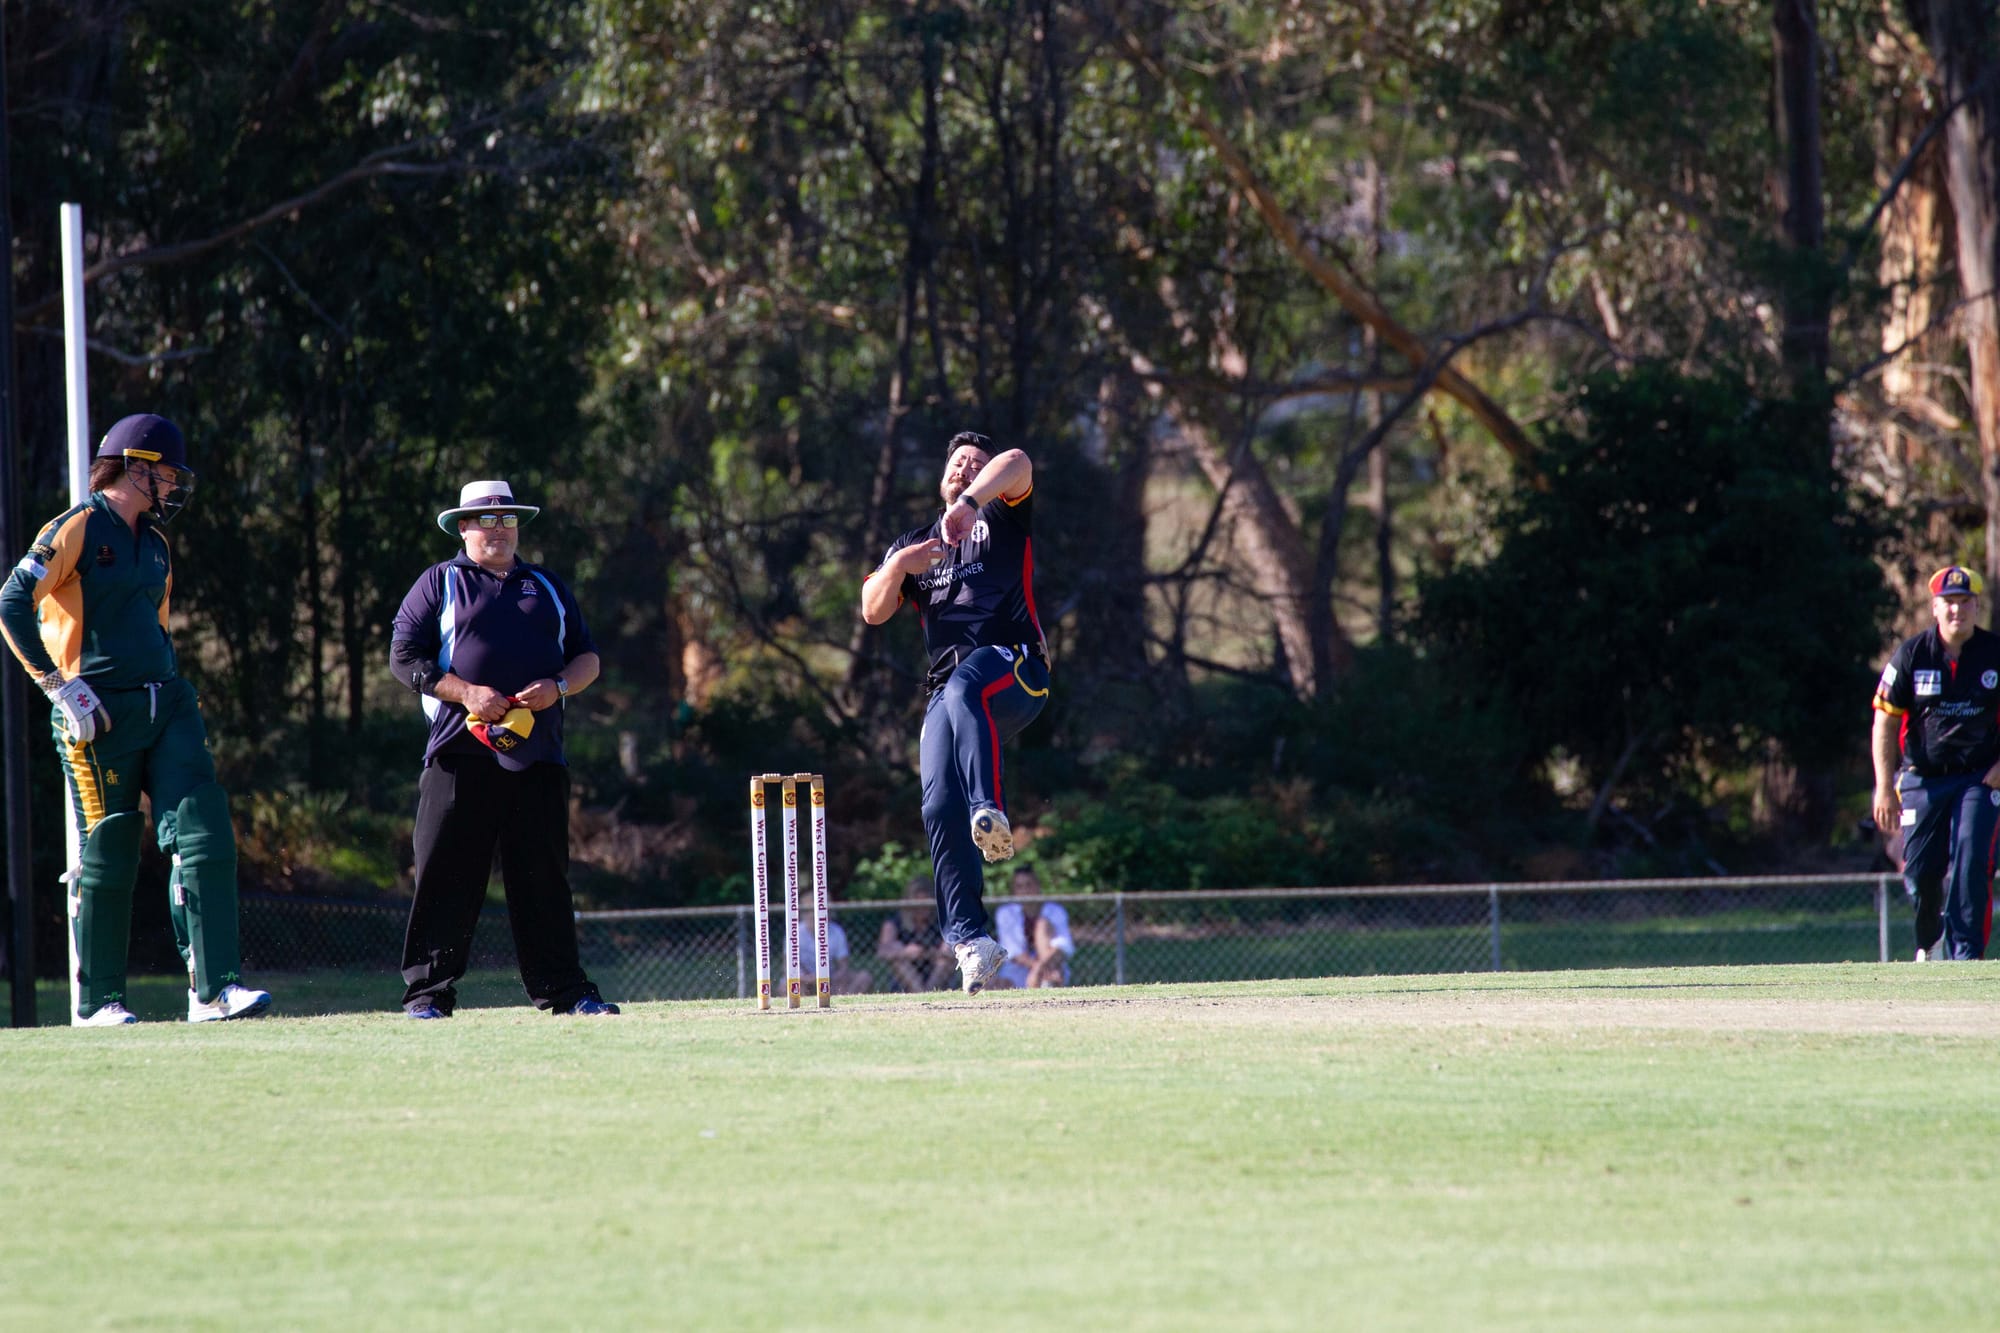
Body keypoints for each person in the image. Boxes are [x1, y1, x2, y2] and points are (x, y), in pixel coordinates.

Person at [0, 414, 270, 1025]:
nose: (173, 485)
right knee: (111, 846)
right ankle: (100, 1001)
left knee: (202, 825)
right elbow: (13, 602)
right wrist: (58, 686)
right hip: (98, 713)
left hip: (166, 701)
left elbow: (157, 626)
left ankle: (215, 991)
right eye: (167, 473)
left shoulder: (155, 543)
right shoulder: (75, 526)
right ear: (135, 467)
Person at [388, 479, 619, 1017]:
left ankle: (567, 992)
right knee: (445, 875)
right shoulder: (440, 581)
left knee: (544, 880)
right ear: (463, 527)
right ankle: (428, 996)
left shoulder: (547, 585)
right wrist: (468, 693)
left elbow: (587, 658)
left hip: (539, 756)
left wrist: (558, 687)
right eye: (486, 520)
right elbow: (404, 657)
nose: (498, 529)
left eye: (508, 519)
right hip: (458, 753)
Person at [860, 433, 1049, 993]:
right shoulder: (914, 544)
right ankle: (971, 941)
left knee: (968, 686)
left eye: (974, 463)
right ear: (941, 474)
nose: (964, 468)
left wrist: (971, 504)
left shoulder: (1000, 515)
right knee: (939, 802)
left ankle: (989, 809)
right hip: (947, 691)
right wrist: (901, 565)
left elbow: (1018, 461)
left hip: (1015, 667)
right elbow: (872, 611)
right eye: (957, 463)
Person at [1871, 564, 2000, 961]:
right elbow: (1884, 722)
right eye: (1949, 602)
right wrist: (1884, 787)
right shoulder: (1912, 655)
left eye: (1964, 602)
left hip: (1979, 778)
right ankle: (1930, 942)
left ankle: (1966, 956)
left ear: (1976, 606)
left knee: (1971, 856)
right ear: (1935, 607)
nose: (1956, 610)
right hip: (1922, 780)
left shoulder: (1994, 653)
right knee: (1921, 872)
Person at [992, 865, 1074, 989]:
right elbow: (1012, 952)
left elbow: (1063, 945)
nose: (1025, 890)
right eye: (1019, 886)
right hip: (1017, 970)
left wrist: (1041, 967)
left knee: (1042, 925)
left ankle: (1049, 985)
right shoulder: (1006, 913)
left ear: (1038, 886)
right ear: (1014, 890)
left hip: (1050, 966)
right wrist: (1037, 968)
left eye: (1029, 885)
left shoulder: (1055, 911)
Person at [875, 874, 957, 992]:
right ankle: (921, 993)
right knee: (898, 956)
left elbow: (954, 948)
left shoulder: (941, 921)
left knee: (947, 953)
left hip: (936, 972)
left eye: (925, 905)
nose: (921, 910)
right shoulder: (895, 922)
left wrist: (933, 953)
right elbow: (882, 951)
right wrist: (904, 952)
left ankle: (929, 992)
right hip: (906, 977)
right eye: (917, 905)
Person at [797, 891, 873, 996]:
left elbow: (843, 966)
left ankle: (842, 1003)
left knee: (864, 977)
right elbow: (788, 967)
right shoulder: (795, 932)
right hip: (805, 980)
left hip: (830, 979)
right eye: (809, 911)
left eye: (817, 910)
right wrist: (808, 979)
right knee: (788, 987)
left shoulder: (836, 931)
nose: (813, 915)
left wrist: (830, 978)